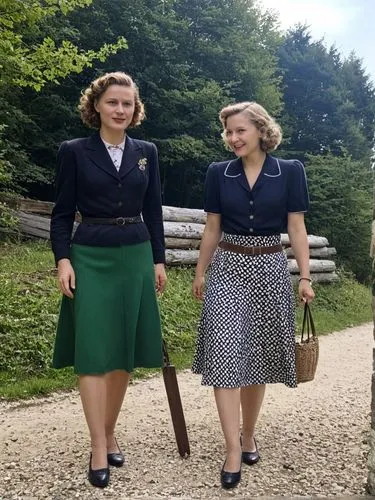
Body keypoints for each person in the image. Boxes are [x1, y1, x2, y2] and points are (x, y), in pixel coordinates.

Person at [50, 72, 167, 488]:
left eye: (128, 104)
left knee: (123, 350)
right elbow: (62, 213)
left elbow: (153, 210)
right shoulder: (74, 152)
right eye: (114, 102)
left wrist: (158, 260)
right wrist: (63, 260)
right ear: (96, 105)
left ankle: (111, 428)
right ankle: (98, 443)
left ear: (135, 110)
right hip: (90, 255)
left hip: (135, 253)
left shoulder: (147, 152)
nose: (121, 109)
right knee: (94, 349)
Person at [192, 101, 314, 489]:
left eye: (240, 130)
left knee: (256, 357)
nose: (233, 138)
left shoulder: (289, 171)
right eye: (228, 132)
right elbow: (212, 227)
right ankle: (232, 447)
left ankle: (249, 434)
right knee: (226, 353)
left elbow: (296, 228)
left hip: (270, 268)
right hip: (228, 267)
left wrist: (305, 277)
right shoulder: (218, 173)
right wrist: (200, 272)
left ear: (261, 130)